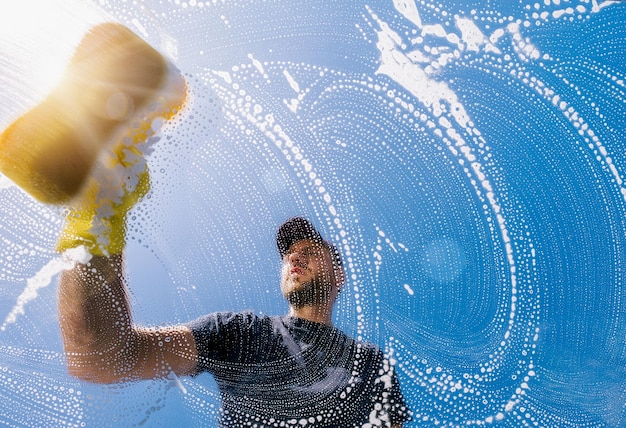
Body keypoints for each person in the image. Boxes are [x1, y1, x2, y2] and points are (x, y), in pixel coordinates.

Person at [1, 22, 410, 427]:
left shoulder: (371, 366)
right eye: (288, 254)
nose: (293, 258)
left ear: (338, 275)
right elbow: (101, 357)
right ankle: (102, 198)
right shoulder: (243, 334)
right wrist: (96, 224)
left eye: (308, 251)